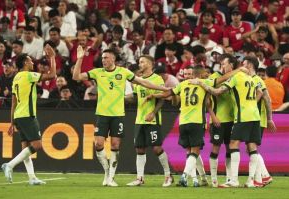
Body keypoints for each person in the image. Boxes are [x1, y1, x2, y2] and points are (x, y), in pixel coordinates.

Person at [72, 47, 169, 187]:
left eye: (106, 58)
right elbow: (76, 77)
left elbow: (143, 82)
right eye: (103, 58)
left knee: (115, 145)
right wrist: (80, 58)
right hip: (102, 114)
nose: (103, 60)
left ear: (113, 59)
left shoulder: (123, 72)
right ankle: (106, 172)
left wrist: (164, 89)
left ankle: (111, 177)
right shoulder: (97, 72)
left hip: (118, 115)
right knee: (98, 144)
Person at [193, 56, 269, 188]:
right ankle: (251, 181)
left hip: (242, 116)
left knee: (233, 144)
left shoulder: (237, 77)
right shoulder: (252, 79)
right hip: (255, 116)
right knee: (252, 147)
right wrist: (251, 103)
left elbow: (217, 91)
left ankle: (234, 180)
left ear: (247, 66)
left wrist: (201, 84)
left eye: (243, 64)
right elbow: (260, 93)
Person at [145, 65, 215, 187]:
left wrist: (154, 95)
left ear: (193, 74)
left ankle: (198, 179)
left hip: (183, 122)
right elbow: (218, 83)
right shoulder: (204, 83)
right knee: (195, 151)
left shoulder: (182, 85)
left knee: (190, 152)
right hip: (197, 121)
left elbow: (166, 94)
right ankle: (184, 176)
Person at [1, 44, 56, 185]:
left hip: (19, 116)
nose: (33, 63)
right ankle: (10, 165)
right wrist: (52, 58)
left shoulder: (16, 78)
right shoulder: (28, 75)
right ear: (25, 63)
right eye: (31, 61)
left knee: (26, 148)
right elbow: (52, 75)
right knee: (37, 145)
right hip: (27, 115)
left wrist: (12, 122)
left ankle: (32, 178)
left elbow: (13, 103)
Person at [125, 55, 173, 187]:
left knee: (157, 148)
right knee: (139, 149)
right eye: (139, 61)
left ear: (151, 63)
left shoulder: (157, 79)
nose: (140, 64)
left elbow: (163, 97)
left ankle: (168, 176)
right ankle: (140, 178)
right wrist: (120, 97)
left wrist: (153, 112)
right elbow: (136, 97)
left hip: (152, 119)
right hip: (139, 119)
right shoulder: (138, 81)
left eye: (142, 61)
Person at [244, 56, 276, 185]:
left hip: (257, 119)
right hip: (251, 118)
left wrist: (269, 119)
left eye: (244, 63)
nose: (242, 65)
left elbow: (267, 99)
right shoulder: (249, 79)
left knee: (251, 147)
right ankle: (264, 176)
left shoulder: (257, 80)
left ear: (250, 65)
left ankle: (259, 178)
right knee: (250, 148)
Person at [207, 54, 237, 187]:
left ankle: (230, 178)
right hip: (218, 119)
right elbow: (207, 98)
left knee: (230, 149)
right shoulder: (214, 77)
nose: (222, 66)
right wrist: (212, 116)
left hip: (232, 120)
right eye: (221, 64)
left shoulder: (237, 78)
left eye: (224, 64)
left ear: (231, 65)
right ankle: (213, 179)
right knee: (216, 148)